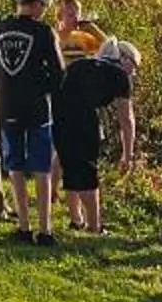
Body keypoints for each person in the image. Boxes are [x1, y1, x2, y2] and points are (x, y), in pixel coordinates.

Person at [0, 0, 67, 243]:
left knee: (15, 167)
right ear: (35, 5)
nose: (43, 11)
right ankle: (45, 229)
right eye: (42, 6)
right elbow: (59, 73)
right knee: (42, 167)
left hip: (8, 104)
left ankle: (23, 226)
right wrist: (39, 85)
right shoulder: (44, 33)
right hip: (37, 108)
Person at [57, 36, 140, 238]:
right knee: (87, 171)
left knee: (70, 167)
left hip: (58, 115)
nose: (133, 72)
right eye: (134, 65)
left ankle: (77, 219)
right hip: (83, 119)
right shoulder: (119, 75)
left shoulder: (82, 64)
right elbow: (126, 120)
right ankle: (95, 226)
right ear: (124, 59)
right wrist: (127, 154)